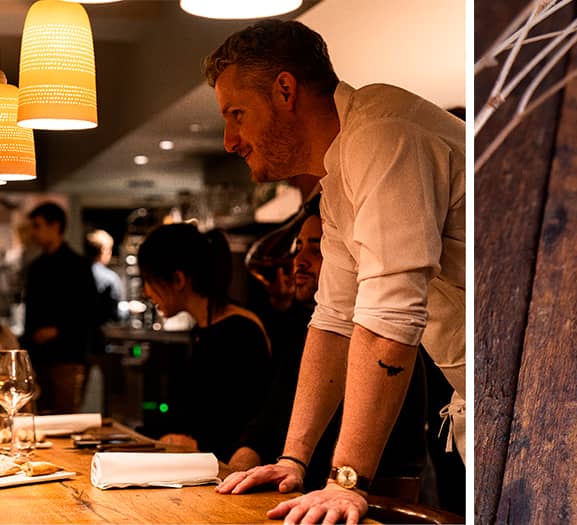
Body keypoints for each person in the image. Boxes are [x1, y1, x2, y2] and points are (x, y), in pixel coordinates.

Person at [207, 20, 465, 524]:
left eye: (237, 114)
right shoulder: (341, 168)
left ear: (285, 90)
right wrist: (292, 460)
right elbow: (334, 321)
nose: (228, 139)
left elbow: (391, 320)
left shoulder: (383, 135)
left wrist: (346, 481)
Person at [229, 197, 431, 501]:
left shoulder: (390, 346)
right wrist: (231, 478)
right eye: (298, 248)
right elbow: (268, 423)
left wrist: (344, 489)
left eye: (318, 248)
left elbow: (402, 486)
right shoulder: (304, 338)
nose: (300, 261)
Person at [137, 223, 272, 462]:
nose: (146, 292)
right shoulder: (202, 329)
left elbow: (249, 422)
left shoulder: (241, 330)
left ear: (178, 279)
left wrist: (198, 442)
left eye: (148, 279)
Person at [19, 202, 97, 414]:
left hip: (67, 356)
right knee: (37, 416)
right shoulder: (36, 266)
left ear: (55, 226)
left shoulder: (78, 265)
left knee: (66, 417)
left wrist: (58, 330)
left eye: (37, 226)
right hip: (38, 357)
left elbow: (89, 311)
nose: (34, 232)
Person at [85, 229, 125, 328]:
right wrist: (128, 309)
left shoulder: (76, 273)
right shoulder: (110, 278)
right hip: (102, 335)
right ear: (103, 250)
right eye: (109, 249)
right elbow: (115, 313)